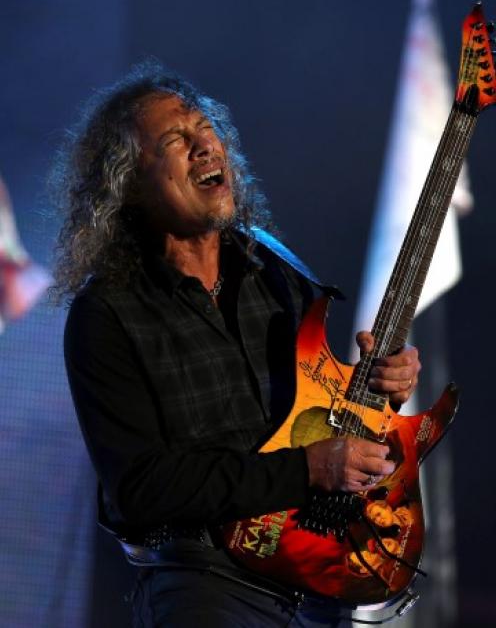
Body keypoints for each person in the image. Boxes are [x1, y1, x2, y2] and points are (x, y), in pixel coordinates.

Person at [53, 62, 420, 627]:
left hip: (316, 585)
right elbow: (141, 489)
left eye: (206, 129)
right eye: (176, 140)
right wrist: (309, 469)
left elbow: (318, 419)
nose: (204, 147)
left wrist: (380, 388)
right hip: (207, 587)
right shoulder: (106, 314)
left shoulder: (281, 276)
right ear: (126, 181)